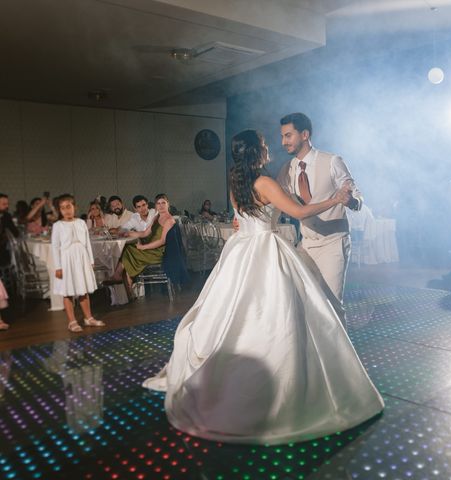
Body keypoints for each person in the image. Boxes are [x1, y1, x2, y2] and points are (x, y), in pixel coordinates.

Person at [143, 130, 384, 444]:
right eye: (265, 144)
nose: (270, 146)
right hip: (266, 248)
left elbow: (239, 219)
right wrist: (335, 199)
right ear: (256, 151)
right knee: (275, 312)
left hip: (241, 250)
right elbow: (297, 213)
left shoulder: (236, 183)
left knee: (233, 309)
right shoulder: (265, 183)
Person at [277, 113, 362, 325]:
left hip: (333, 243)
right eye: (282, 137)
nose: (283, 142)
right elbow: (274, 201)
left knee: (332, 305)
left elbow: (358, 196)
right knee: (305, 303)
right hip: (305, 245)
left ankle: (340, 357)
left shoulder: (332, 161)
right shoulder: (287, 170)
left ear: (304, 134)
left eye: (288, 136)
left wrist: (350, 200)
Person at [51, 194, 104, 333]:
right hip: (66, 260)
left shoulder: (81, 223)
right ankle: (72, 321)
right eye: (62, 208)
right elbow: (55, 247)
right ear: (59, 210)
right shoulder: (58, 226)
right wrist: (58, 267)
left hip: (81, 257)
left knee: (83, 289)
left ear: (74, 207)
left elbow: (87, 242)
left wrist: (91, 261)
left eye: (68, 207)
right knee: (67, 291)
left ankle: (88, 317)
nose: (66, 210)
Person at [107, 194, 176, 293]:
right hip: (152, 248)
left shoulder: (169, 220)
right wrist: (128, 233)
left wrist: (143, 247)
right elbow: (144, 233)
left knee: (128, 250)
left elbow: (162, 241)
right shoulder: (157, 217)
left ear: (168, 204)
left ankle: (118, 276)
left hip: (160, 252)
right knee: (128, 249)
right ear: (156, 205)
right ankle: (127, 289)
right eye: (158, 203)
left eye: (163, 203)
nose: (161, 206)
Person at [0, 193, 20, 269]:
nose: (7, 206)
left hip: (3, 250)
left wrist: (6, 235)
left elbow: (15, 233)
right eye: (4, 204)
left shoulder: (7, 215)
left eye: (7, 204)